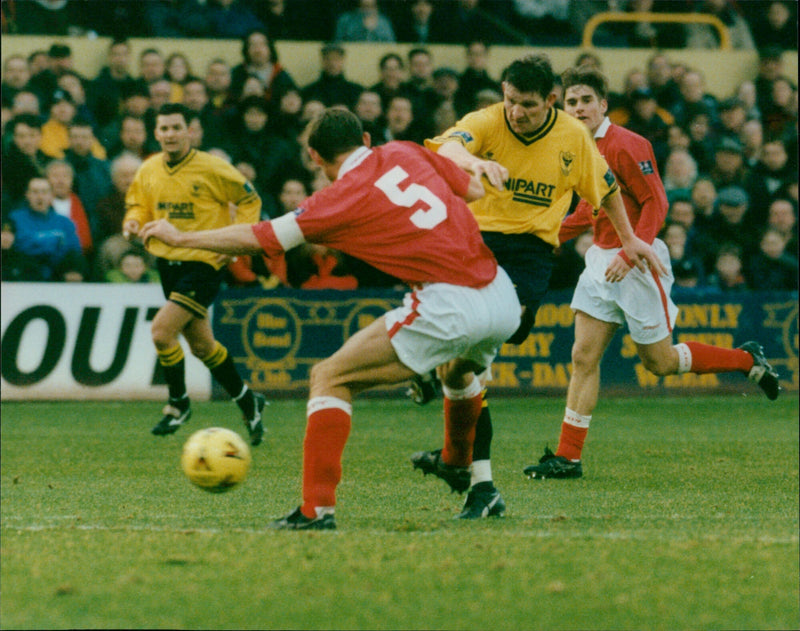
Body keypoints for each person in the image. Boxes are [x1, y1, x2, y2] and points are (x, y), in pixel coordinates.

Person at [138, 106, 522, 530]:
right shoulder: (405, 150)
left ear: (315, 158)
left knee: (329, 376)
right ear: (366, 139)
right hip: (501, 294)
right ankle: (465, 470)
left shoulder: (338, 198)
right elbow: (473, 191)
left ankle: (316, 509)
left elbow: (259, 237)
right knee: (457, 373)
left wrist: (181, 237)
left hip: (448, 300)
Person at [409, 54, 666, 519]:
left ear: (550, 101)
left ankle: (450, 435)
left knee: (479, 349)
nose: (516, 112)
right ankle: (479, 484)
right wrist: (473, 162)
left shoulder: (572, 137)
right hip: (473, 241)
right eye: (510, 100)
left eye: (527, 104)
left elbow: (607, 190)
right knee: (466, 369)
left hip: (529, 251)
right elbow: (447, 149)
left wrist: (630, 240)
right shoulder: (487, 121)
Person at [523, 67, 780, 481]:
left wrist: (631, 251)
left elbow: (655, 202)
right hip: (600, 262)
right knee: (582, 357)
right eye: (571, 102)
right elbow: (588, 211)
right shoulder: (574, 147)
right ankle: (568, 458)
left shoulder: (628, 143)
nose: (579, 108)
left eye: (586, 100)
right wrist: (540, 236)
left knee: (659, 362)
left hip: (637, 263)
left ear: (603, 104)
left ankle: (746, 359)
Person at [122, 103, 266, 445]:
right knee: (202, 346)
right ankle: (249, 400)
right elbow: (138, 203)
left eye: (177, 127)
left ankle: (179, 404)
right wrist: (133, 222)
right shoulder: (149, 169)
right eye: (164, 128)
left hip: (204, 263)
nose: (170, 134)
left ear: (190, 131)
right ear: (156, 133)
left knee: (161, 332)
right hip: (168, 264)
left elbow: (250, 200)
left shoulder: (213, 168)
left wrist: (236, 240)